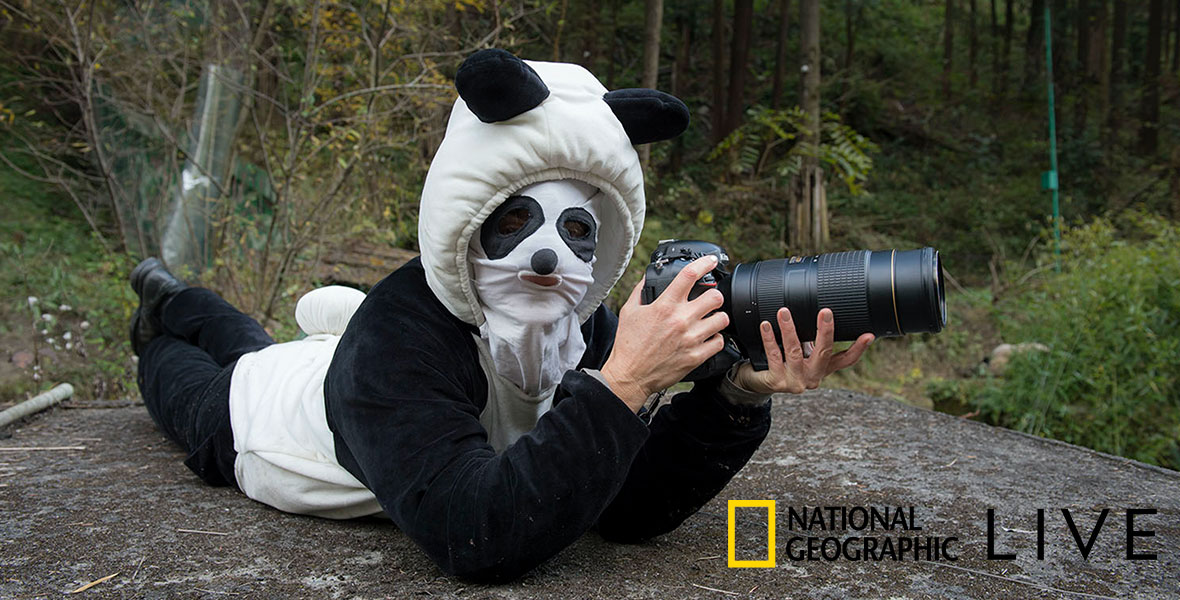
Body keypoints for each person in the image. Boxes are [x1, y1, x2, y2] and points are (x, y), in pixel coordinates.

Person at [131, 49, 873, 582]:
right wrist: (621, 389)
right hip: (260, 420)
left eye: (578, 231)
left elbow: (621, 506)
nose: (551, 257)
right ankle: (161, 306)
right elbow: (476, 536)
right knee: (200, 368)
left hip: (351, 381)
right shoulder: (399, 333)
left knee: (253, 338)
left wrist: (732, 397)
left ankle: (183, 298)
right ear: (468, 213)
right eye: (516, 219)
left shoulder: (586, 330)